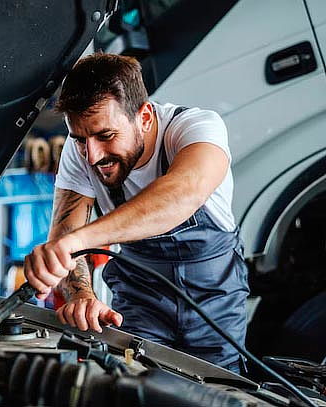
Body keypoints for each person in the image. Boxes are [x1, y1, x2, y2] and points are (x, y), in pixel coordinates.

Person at [23, 53, 249, 372]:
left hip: (213, 307)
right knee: (131, 386)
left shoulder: (196, 128)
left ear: (144, 116)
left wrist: (76, 242)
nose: (92, 156)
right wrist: (80, 296)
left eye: (106, 136)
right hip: (140, 305)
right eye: (80, 140)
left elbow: (182, 194)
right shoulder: (81, 155)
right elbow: (64, 248)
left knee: (219, 394)